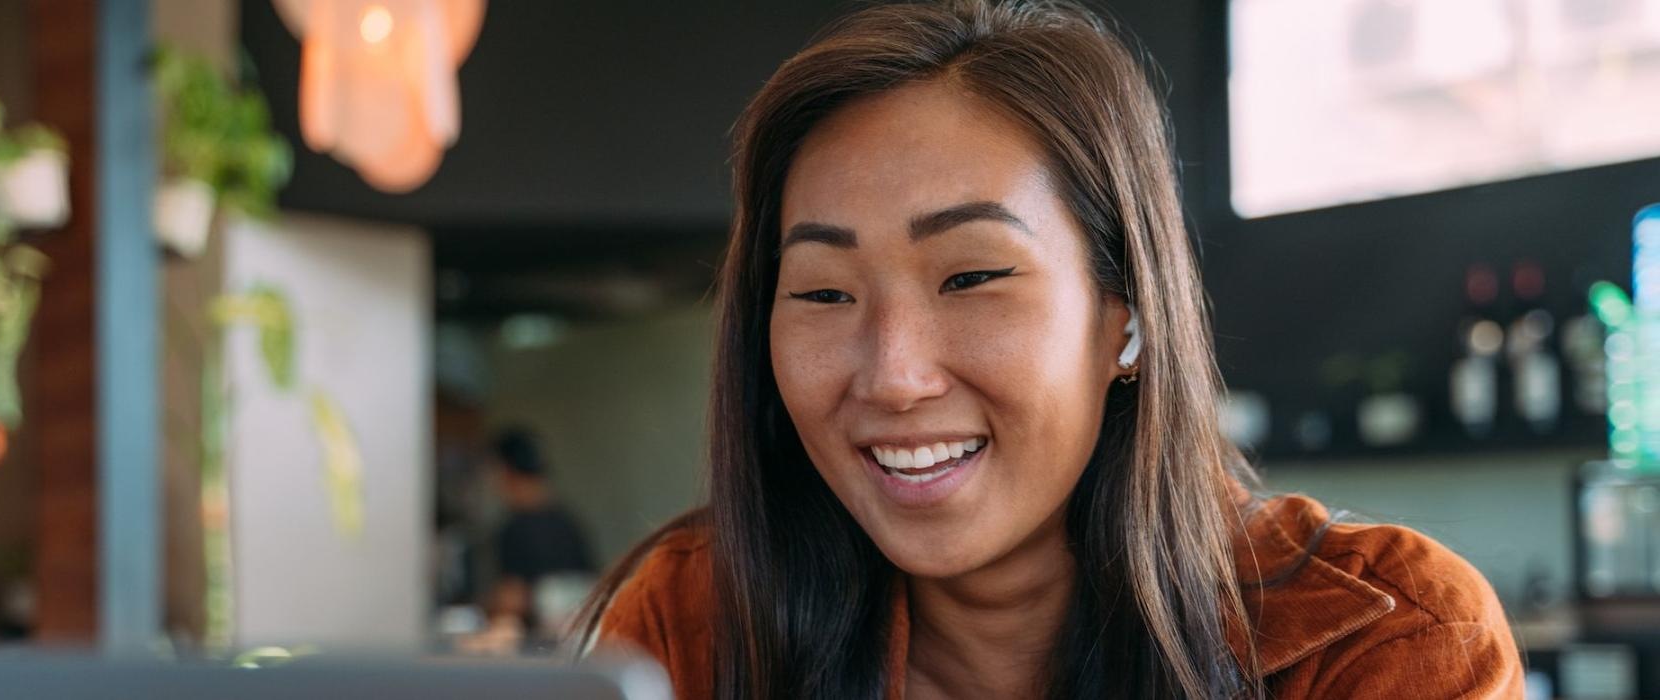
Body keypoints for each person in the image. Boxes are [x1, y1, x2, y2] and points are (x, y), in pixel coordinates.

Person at [577, 1, 1522, 698]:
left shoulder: (1387, 639)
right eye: (824, 293)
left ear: (1129, 315)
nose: (895, 375)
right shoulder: (693, 624)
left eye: (973, 278)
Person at [472, 428, 594, 652]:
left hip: (537, 650)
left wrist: (480, 607)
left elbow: (513, 600)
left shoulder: (516, 529)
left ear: (504, 470)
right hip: (577, 650)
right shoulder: (569, 523)